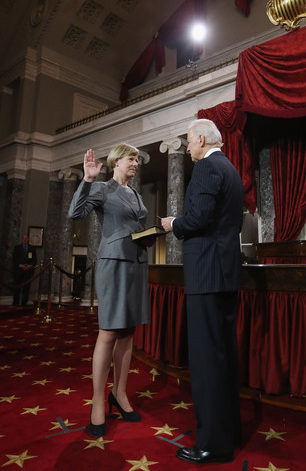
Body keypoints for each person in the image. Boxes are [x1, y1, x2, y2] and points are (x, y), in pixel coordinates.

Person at [161, 119, 244, 465]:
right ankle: (228, 432)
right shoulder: (230, 168)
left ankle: (212, 443)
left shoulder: (208, 167)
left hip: (207, 275)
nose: (187, 147)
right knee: (223, 357)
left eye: (188, 141)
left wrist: (172, 224)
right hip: (223, 274)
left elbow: (198, 219)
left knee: (207, 361)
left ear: (199, 139)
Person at [68, 144, 153, 438]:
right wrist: (88, 179)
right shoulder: (103, 188)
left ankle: (120, 393)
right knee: (108, 332)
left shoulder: (135, 193)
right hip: (114, 264)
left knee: (128, 331)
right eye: (132, 158)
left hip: (136, 263)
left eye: (138, 160)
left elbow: (132, 226)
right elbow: (75, 212)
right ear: (116, 161)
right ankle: (97, 401)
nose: (136, 163)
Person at [12, 233, 37, 307]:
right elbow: (14, 259)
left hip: (28, 271)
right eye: (23, 238)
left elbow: (34, 260)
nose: (25, 239)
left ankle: (24, 303)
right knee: (17, 287)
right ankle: (16, 302)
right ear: (22, 239)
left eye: (26, 238)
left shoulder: (32, 248)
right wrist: (21, 266)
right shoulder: (17, 248)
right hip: (19, 270)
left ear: (28, 239)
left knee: (26, 288)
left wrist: (30, 266)